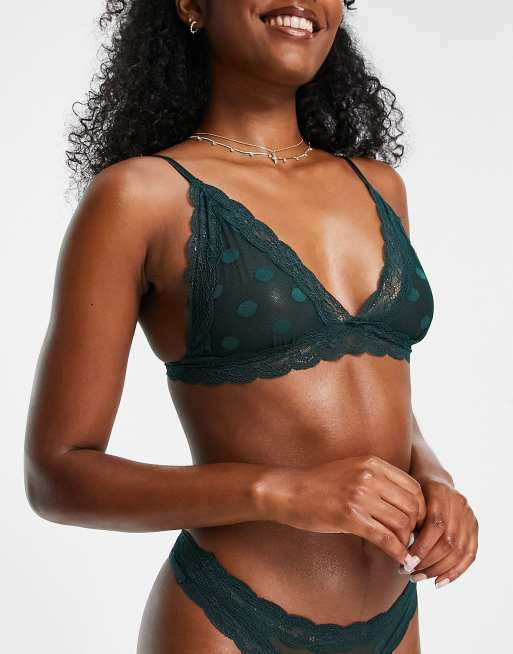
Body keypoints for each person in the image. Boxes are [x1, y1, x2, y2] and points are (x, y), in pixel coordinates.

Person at [24, 1, 479, 652]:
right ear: (190, 4)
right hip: (228, 621)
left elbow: (373, 387)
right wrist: (279, 491)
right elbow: (56, 477)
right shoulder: (140, 197)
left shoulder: (379, 187)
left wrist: (434, 478)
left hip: (394, 619)